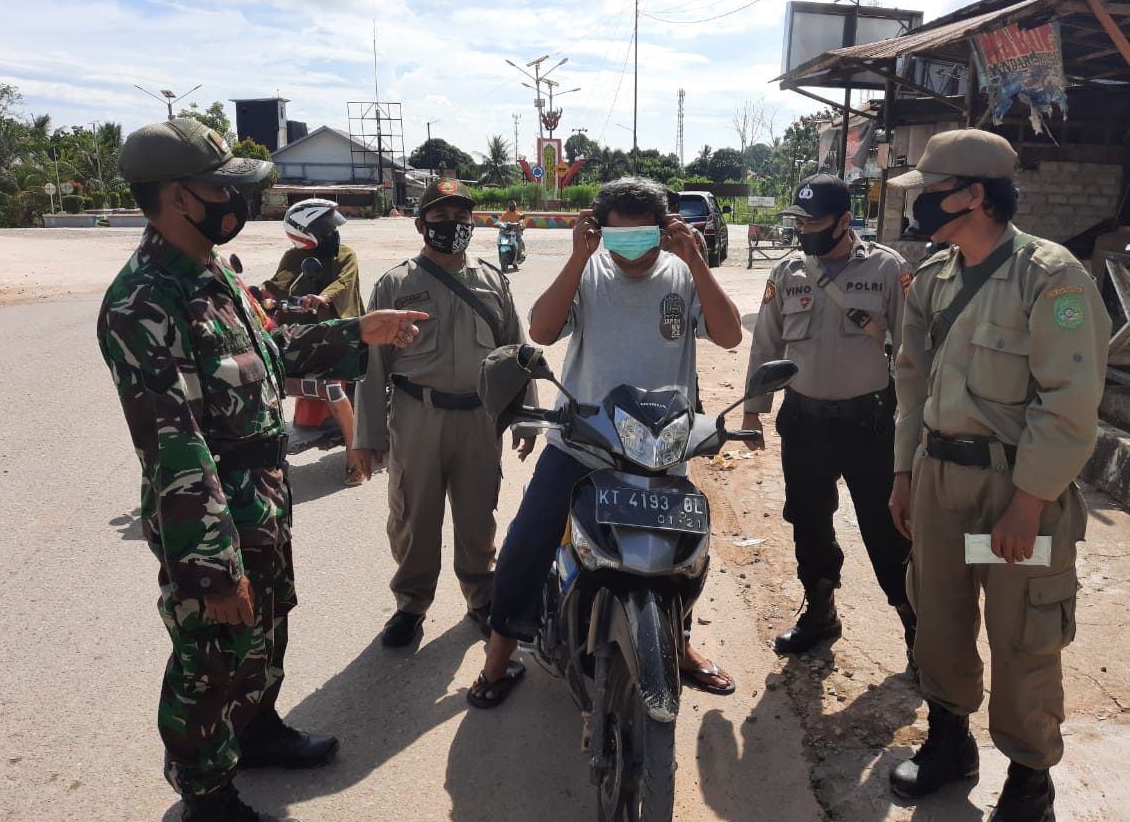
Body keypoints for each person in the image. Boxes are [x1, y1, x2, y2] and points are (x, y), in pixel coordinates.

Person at [97, 119, 426, 822]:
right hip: (211, 507)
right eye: (221, 186)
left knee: (267, 627)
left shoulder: (213, 272)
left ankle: (257, 730)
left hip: (261, 494)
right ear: (179, 197)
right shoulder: (144, 302)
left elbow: (267, 353)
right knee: (210, 656)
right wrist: (213, 568)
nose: (234, 200)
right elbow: (174, 445)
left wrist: (357, 332)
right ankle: (208, 812)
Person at [884, 129, 1110, 822]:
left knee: (1023, 638)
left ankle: (1028, 783)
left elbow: (1069, 401)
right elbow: (911, 382)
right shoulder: (934, 279)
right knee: (940, 617)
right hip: (939, 483)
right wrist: (902, 472)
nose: (918, 205)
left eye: (929, 191)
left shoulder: (1053, 277)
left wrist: (1029, 501)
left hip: (1014, 493)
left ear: (972, 195)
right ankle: (950, 741)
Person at [468, 175, 745, 707]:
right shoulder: (589, 271)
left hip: (661, 448)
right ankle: (497, 660)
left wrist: (697, 261)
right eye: (619, 239)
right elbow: (543, 332)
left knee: (685, 556)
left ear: (665, 231)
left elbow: (730, 336)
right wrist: (577, 257)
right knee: (527, 545)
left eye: (643, 237)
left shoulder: (683, 275)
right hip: (583, 443)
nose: (630, 251)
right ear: (600, 232)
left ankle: (678, 643)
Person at [351, 178, 536, 648]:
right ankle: (411, 605)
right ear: (421, 224)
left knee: (478, 516)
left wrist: (527, 415)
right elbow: (372, 368)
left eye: (460, 217)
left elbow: (516, 351)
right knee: (415, 516)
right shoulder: (396, 284)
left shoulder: (493, 280)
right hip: (418, 417)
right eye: (440, 217)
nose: (452, 225)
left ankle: (481, 596)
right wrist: (367, 437)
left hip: (479, 418)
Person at [740, 173, 915, 661]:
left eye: (815, 223)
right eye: (799, 222)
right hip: (804, 422)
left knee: (887, 528)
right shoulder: (789, 271)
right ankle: (820, 611)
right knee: (809, 521)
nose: (804, 231)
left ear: (844, 220)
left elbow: (911, 349)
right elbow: (766, 342)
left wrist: (916, 425)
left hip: (869, 424)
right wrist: (754, 411)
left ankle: (914, 625)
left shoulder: (886, 268)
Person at [265, 197, 367, 484]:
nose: (333, 234)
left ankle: (354, 453)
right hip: (304, 335)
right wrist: (257, 294)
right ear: (305, 234)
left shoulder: (345, 254)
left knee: (332, 386)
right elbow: (278, 284)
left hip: (342, 332)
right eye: (325, 231)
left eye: (332, 229)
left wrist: (322, 298)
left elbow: (344, 283)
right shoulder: (292, 258)